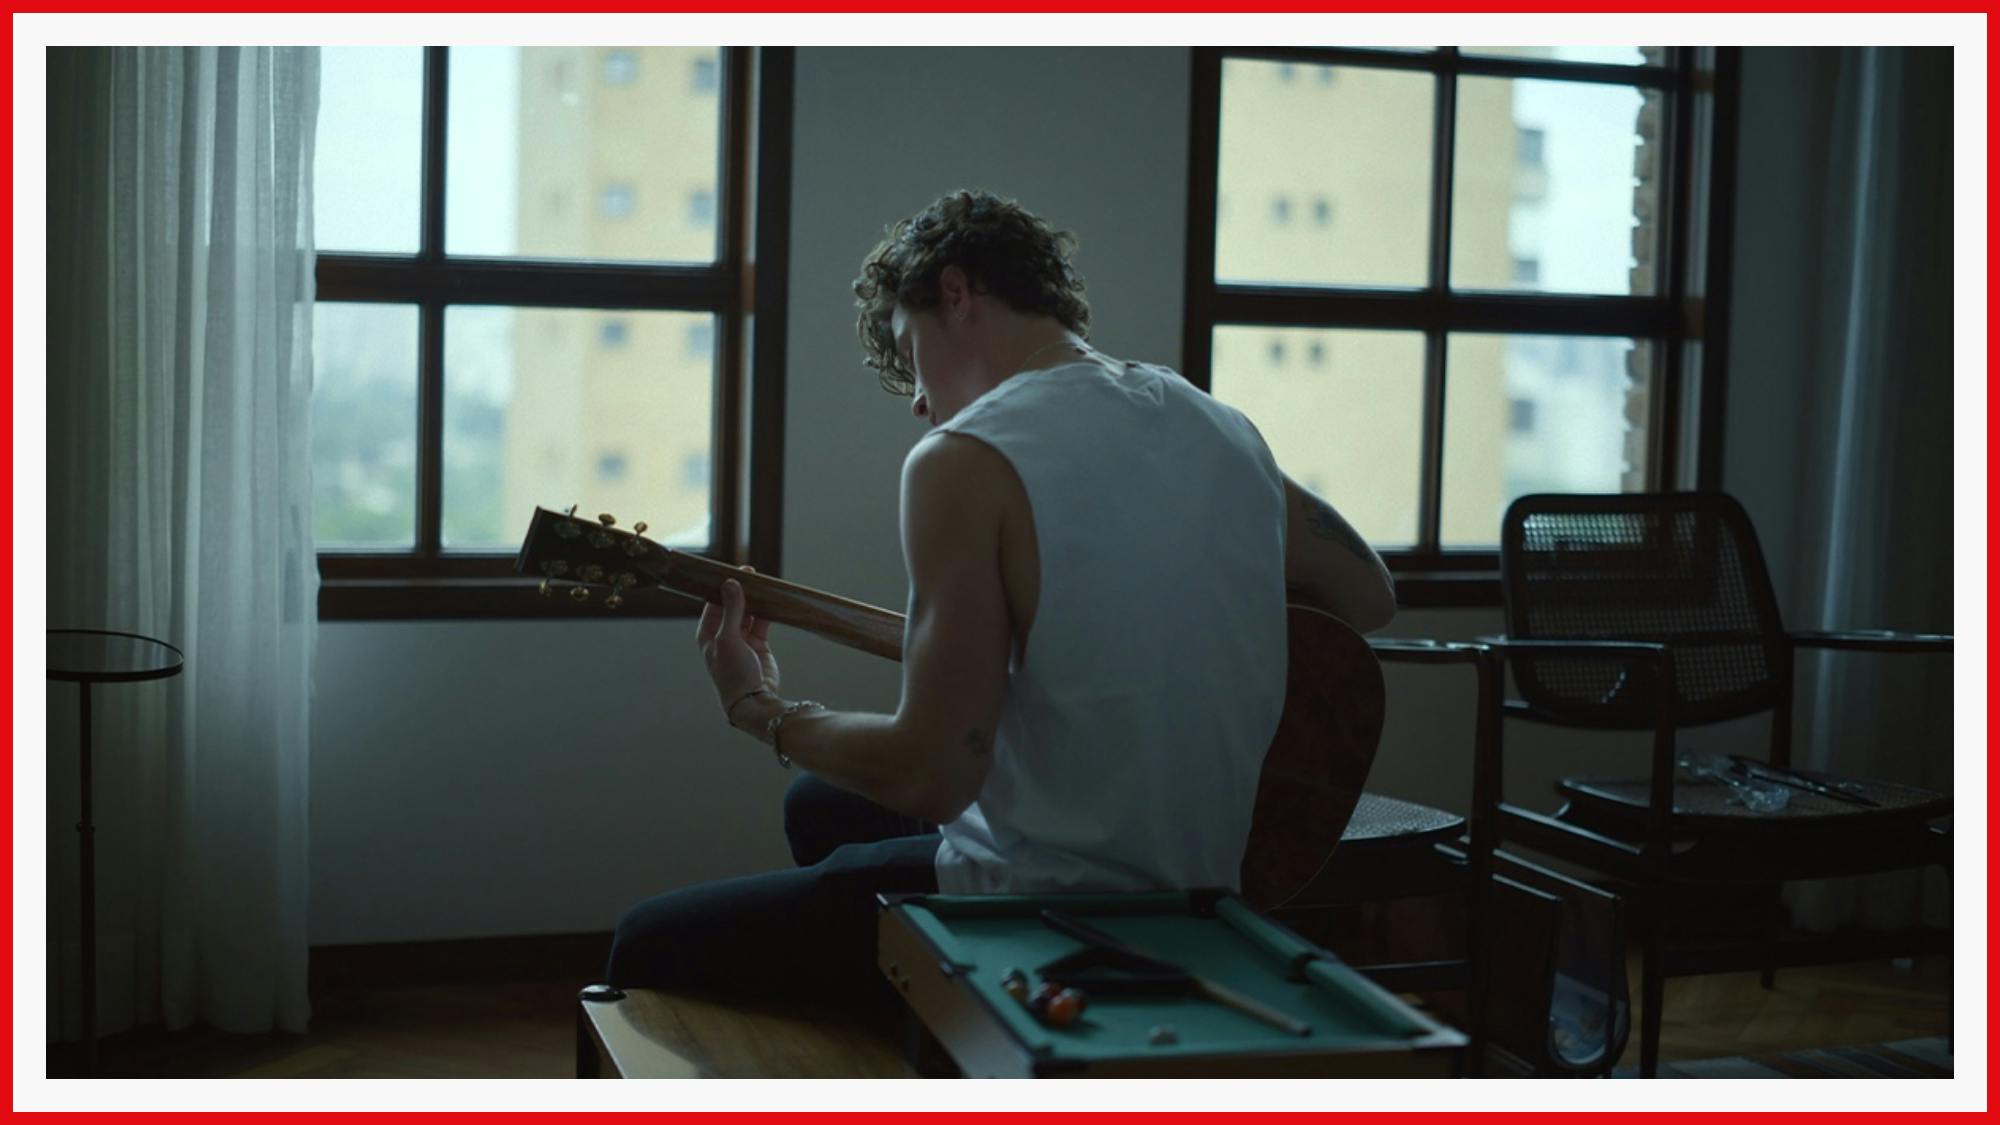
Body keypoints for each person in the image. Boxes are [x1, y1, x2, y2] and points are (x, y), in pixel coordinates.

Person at [605, 189, 1393, 1004]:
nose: (915, 400)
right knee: (821, 806)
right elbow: (1368, 592)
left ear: (956, 292)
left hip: (1043, 904)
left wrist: (759, 706)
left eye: (911, 354)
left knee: (642, 947)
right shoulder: (1225, 428)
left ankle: (945, 1017)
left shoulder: (963, 456)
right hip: (1205, 876)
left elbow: (932, 775)